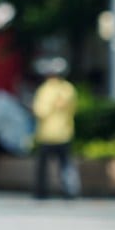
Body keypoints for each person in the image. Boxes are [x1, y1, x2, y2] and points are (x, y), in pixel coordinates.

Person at [31, 59, 80, 200]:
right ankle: (70, 191)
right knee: (66, 165)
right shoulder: (69, 89)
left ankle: (41, 192)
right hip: (65, 133)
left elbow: (40, 111)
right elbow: (74, 108)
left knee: (42, 166)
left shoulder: (45, 90)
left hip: (47, 134)